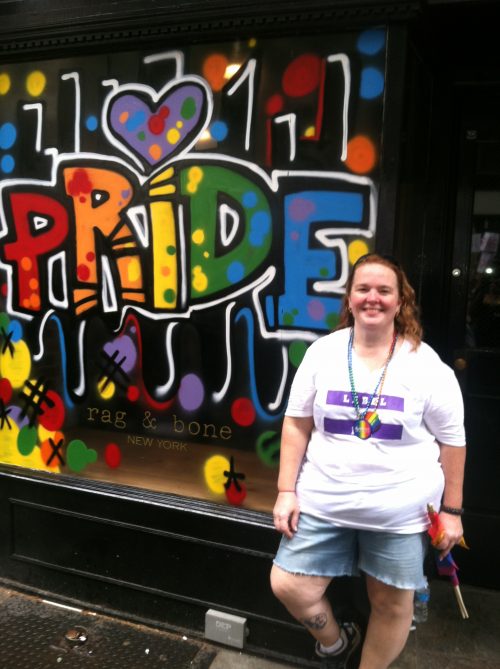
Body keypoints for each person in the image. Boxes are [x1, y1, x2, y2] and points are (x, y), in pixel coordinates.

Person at [270, 253, 466, 669]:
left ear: (400, 301)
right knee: (289, 584)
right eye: (363, 289)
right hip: (324, 502)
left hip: (399, 512)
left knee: (393, 605)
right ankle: (337, 645)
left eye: (383, 290)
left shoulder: (427, 366)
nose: (372, 298)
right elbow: (296, 424)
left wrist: (451, 512)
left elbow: (453, 442)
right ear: (350, 298)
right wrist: (286, 490)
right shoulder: (323, 354)